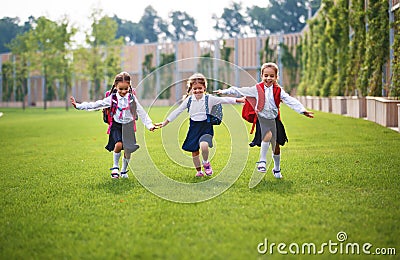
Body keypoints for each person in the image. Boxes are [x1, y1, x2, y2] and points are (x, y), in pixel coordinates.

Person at [215, 62, 314, 179]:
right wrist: (224, 91)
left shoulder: (278, 91)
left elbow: (290, 100)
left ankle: (276, 169)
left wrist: (302, 110)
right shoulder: (256, 89)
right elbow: (240, 90)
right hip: (262, 120)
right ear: (261, 76)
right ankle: (262, 161)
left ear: (276, 77)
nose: (268, 78)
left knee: (276, 147)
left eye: (272, 76)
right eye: (266, 75)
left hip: (274, 120)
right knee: (267, 135)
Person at [70, 71, 157, 179]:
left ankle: (124, 171)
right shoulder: (112, 99)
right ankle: (115, 167)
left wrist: (149, 125)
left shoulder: (132, 98)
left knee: (128, 150)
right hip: (116, 126)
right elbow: (96, 104)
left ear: (129, 86)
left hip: (128, 126)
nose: (123, 91)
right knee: (119, 144)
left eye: (126, 89)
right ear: (116, 86)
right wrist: (78, 106)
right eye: (121, 89)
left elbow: (141, 112)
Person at [157, 73, 242, 177]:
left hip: (206, 126)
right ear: (191, 89)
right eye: (195, 89)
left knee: (204, 146)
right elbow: (177, 111)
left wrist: (239, 100)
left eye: (200, 88)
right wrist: (165, 122)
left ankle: (206, 162)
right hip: (193, 128)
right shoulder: (189, 100)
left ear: (204, 88)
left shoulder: (209, 99)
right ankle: (199, 171)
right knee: (194, 152)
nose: (197, 91)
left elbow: (224, 100)